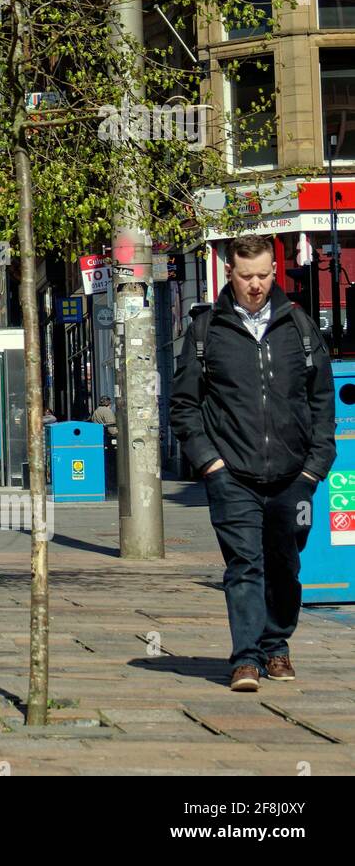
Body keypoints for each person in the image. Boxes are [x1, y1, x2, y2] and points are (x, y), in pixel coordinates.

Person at [171, 233, 335, 693]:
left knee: (285, 565)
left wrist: (314, 467)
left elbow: (322, 401)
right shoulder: (207, 331)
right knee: (244, 563)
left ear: (275, 272)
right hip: (232, 476)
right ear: (230, 273)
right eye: (247, 277)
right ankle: (245, 658)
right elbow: (184, 405)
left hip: (293, 477)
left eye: (264, 275)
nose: (257, 285)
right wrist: (210, 465)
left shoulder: (299, 327)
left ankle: (276, 644)